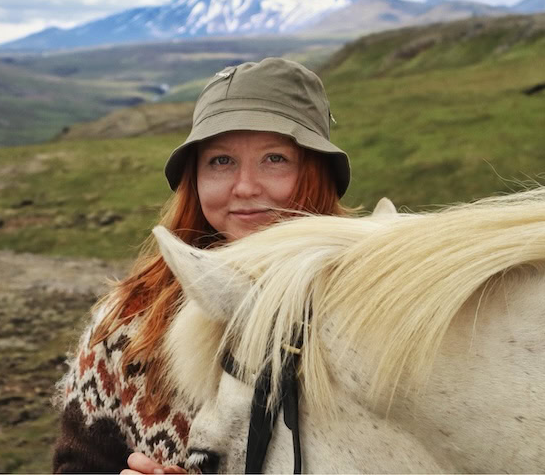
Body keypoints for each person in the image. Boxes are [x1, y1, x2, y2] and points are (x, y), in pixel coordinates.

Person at [51, 57, 351, 473]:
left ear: (318, 172)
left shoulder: (374, 309)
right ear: (194, 178)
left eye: (275, 159)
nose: (246, 187)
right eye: (221, 161)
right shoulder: (127, 323)